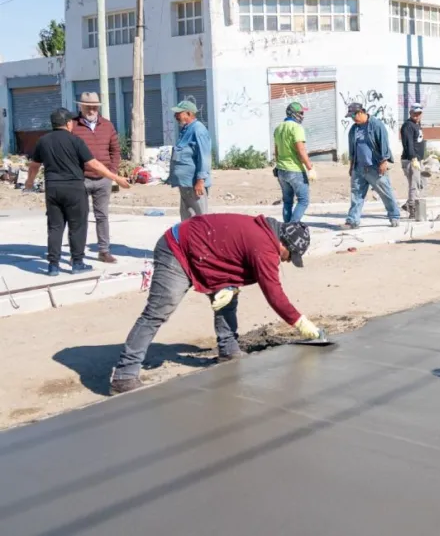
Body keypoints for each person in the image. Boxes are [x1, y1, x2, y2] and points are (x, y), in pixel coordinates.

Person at [109, 214, 324, 394]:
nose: (287, 260)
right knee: (158, 311)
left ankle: (228, 349)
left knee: (227, 299)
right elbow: (273, 293)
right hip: (177, 248)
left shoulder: (266, 235)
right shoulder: (265, 246)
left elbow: (233, 254)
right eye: (290, 255)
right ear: (284, 243)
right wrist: (300, 322)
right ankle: (124, 376)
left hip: (204, 250)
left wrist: (230, 285)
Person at [22, 108, 131, 276]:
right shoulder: (76, 141)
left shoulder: (42, 141)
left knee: (55, 227)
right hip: (74, 189)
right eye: (71, 121)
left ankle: (53, 265)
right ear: (67, 123)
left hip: (53, 189)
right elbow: (94, 164)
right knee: (77, 226)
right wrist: (115, 178)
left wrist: (29, 183)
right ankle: (77, 263)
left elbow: (34, 166)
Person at [71, 91, 122, 264]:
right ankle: (77, 253)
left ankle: (104, 251)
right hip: (81, 179)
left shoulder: (107, 125)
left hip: (103, 180)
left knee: (102, 216)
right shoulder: (72, 126)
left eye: (95, 107)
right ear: (81, 106)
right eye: (88, 107)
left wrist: (112, 172)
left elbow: (115, 150)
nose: (92, 110)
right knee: (79, 217)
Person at [343, 102, 402, 229]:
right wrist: (351, 166)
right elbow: (352, 149)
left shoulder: (376, 125)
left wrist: (383, 162)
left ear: (360, 113)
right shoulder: (354, 129)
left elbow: (384, 144)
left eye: (353, 116)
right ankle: (352, 220)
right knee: (356, 195)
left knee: (385, 192)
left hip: (375, 167)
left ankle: (394, 215)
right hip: (359, 168)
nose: (352, 119)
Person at [167, 100, 212, 221]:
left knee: (200, 217)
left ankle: (202, 239)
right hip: (185, 184)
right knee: (187, 217)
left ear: (189, 113)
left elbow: (204, 156)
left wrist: (200, 181)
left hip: (194, 185)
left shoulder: (198, 130)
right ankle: (189, 240)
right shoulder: (186, 129)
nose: (175, 116)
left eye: (178, 113)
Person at [273, 102, 316, 223]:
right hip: (295, 170)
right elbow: (301, 151)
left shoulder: (278, 128)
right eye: (301, 113)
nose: (303, 116)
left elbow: (276, 151)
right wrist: (310, 168)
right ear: (294, 114)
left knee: (287, 201)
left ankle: (286, 227)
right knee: (303, 200)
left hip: (281, 170)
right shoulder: (296, 128)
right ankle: (292, 226)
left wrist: (279, 165)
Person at [400, 103, 427, 215]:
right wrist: (413, 158)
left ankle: (408, 204)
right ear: (410, 113)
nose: (417, 115)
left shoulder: (417, 124)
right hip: (410, 160)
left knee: (422, 183)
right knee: (414, 185)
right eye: (414, 113)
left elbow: (418, 142)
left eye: (419, 113)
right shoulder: (408, 126)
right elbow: (408, 144)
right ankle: (412, 208)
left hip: (418, 160)